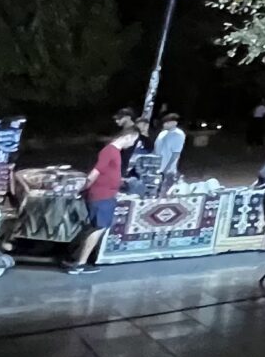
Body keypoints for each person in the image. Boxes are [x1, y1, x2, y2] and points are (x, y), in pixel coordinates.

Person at [68, 123, 137, 275]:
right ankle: (80, 264)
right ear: (127, 137)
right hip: (102, 196)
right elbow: (95, 173)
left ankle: (76, 258)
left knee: (94, 227)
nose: (133, 144)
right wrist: (84, 188)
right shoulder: (110, 151)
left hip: (106, 194)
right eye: (133, 140)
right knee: (98, 228)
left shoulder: (114, 152)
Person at [152, 115, 186, 191]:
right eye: (164, 123)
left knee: (166, 190)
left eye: (167, 123)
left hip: (168, 169)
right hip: (157, 167)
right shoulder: (162, 133)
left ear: (174, 123)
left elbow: (176, 153)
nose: (164, 125)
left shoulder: (178, 134)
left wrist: (167, 168)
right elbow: (156, 149)